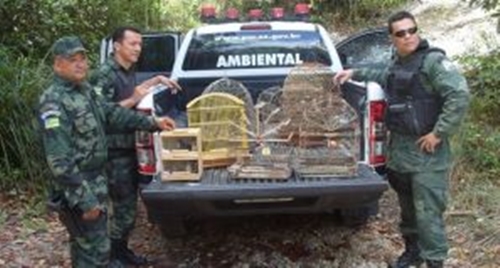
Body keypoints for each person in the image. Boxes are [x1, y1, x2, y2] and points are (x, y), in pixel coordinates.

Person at [333, 11, 470, 268]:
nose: (408, 36)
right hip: (401, 152)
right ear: (392, 38)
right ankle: (413, 253)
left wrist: (438, 133)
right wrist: (353, 73)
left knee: (429, 213)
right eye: (401, 33)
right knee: (407, 210)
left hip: (428, 153)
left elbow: (459, 96)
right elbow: (380, 73)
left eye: (412, 30)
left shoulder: (433, 62)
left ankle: (434, 261)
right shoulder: (397, 64)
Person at [39, 36, 175, 267]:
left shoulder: (84, 91)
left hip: (97, 181)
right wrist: (86, 201)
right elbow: (60, 162)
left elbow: (112, 113)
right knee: (91, 252)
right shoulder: (53, 102)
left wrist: (154, 122)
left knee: (98, 247)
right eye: (73, 60)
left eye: (83, 58)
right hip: (81, 189)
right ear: (58, 64)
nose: (81, 64)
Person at [91, 26, 181, 266]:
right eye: (133, 44)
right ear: (117, 45)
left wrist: (157, 80)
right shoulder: (105, 74)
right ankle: (112, 258)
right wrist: (151, 122)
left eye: (140, 44)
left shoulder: (127, 71)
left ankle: (122, 253)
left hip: (128, 149)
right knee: (120, 209)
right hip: (113, 152)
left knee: (128, 208)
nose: (138, 49)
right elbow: (105, 114)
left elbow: (133, 95)